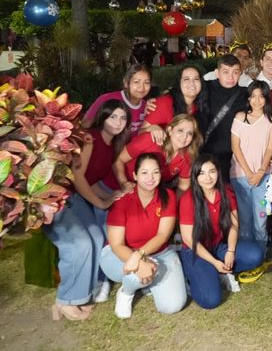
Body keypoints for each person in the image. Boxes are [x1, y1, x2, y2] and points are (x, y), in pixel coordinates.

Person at [45, 101, 130, 321]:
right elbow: (77, 176)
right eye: (113, 117)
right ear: (103, 117)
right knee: (79, 243)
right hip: (59, 194)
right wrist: (101, 203)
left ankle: (79, 296)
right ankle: (65, 301)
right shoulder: (91, 138)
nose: (118, 122)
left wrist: (112, 196)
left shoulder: (111, 145)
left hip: (75, 195)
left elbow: (92, 181)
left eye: (122, 118)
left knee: (96, 236)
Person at [100, 153, 186, 319]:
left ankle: (148, 281)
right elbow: (117, 244)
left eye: (155, 172)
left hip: (159, 253)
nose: (150, 177)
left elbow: (162, 235)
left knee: (172, 305)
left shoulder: (168, 196)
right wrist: (137, 260)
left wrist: (140, 255)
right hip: (119, 254)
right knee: (137, 272)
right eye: (144, 173)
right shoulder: (123, 199)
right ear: (135, 175)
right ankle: (127, 292)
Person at [178, 155, 262, 309]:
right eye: (202, 173)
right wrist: (214, 262)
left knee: (255, 255)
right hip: (195, 251)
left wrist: (230, 251)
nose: (208, 177)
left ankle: (217, 273)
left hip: (218, 247)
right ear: (195, 176)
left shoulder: (226, 191)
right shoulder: (188, 199)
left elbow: (233, 225)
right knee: (211, 300)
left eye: (212, 171)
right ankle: (194, 276)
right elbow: (189, 239)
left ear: (218, 172)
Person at [230, 80, 272, 260]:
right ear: (248, 98)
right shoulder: (240, 117)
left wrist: (260, 171)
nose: (257, 100)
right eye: (253, 96)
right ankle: (246, 256)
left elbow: (269, 149)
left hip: (262, 176)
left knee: (261, 219)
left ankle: (261, 254)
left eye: (261, 96)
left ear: (266, 98)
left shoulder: (271, 121)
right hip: (240, 176)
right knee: (245, 220)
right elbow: (236, 147)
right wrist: (250, 173)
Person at [110, 114, 202, 195]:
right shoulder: (151, 139)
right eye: (180, 130)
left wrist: (175, 207)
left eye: (189, 133)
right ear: (170, 130)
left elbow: (183, 186)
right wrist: (124, 183)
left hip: (147, 194)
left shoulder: (188, 157)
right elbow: (118, 159)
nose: (184, 136)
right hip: (115, 185)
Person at [202, 54, 249, 180]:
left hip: (234, 157)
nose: (230, 77)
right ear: (217, 73)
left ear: (240, 73)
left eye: (235, 72)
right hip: (207, 155)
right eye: (226, 72)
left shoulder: (245, 94)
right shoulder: (205, 88)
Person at [84, 64, 154, 135]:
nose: (142, 87)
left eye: (146, 82)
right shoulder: (108, 99)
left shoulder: (147, 107)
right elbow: (85, 123)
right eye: (136, 82)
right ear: (126, 83)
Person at [141, 65, 206, 132]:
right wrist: (152, 128)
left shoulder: (197, 106)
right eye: (186, 79)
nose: (192, 83)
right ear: (179, 83)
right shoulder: (165, 103)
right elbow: (141, 131)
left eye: (196, 79)